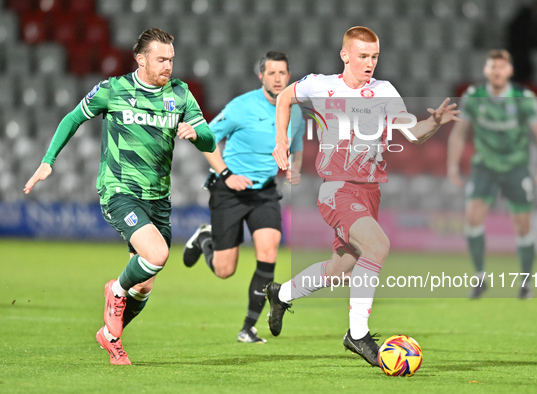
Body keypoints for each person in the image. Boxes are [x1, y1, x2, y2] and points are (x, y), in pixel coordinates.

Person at [267, 26, 460, 367]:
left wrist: (435, 123)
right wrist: (280, 141)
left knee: (343, 268)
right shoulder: (322, 85)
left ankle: (280, 294)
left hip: (370, 191)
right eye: (363, 56)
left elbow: (412, 134)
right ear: (345, 55)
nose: (370, 63)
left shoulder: (384, 91)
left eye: (374, 57)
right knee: (377, 246)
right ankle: (357, 334)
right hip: (337, 188)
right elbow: (284, 97)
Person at [23, 28, 216, 365]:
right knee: (156, 255)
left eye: (171, 59)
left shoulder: (180, 94)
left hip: (158, 198)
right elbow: (72, 118)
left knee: (144, 287)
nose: (168, 66)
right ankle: (114, 291)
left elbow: (210, 140)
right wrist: (47, 160)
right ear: (140, 59)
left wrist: (195, 133)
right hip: (120, 190)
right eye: (161, 59)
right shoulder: (113, 90)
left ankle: (110, 334)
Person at [182, 51, 305, 343]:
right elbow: (206, 138)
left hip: (264, 192)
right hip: (230, 191)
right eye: (271, 73)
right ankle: (204, 238)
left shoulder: (296, 111)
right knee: (225, 270)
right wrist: (227, 175)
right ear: (261, 76)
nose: (277, 78)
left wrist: (295, 168)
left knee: (269, 250)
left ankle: (249, 327)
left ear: (289, 76)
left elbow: (296, 144)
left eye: (282, 73)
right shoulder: (241, 107)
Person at [447, 49, 537, 299]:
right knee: (472, 219)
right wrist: (452, 165)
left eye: (501, 67)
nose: (497, 71)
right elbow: (459, 133)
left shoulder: (523, 97)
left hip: (516, 167)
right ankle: (480, 278)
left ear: (510, 71)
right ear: (486, 70)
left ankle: (526, 284)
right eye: (493, 67)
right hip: (485, 166)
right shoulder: (474, 96)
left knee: (523, 225)